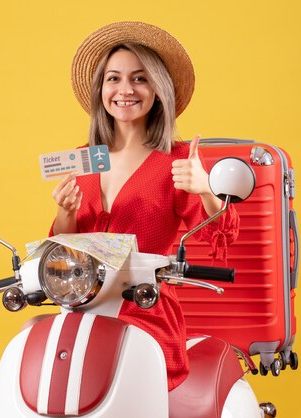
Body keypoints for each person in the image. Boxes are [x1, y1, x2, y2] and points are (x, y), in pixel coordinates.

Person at [49, 22, 239, 390]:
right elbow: (64, 247)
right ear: (100, 89)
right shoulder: (84, 158)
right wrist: (66, 213)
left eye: (139, 79)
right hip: (82, 304)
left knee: (124, 366)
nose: (124, 90)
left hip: (144, 306)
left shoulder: (179, 159)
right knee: (35, 343)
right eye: (113, 78)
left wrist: (205, 190)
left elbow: (223, 232)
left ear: (158, 89)